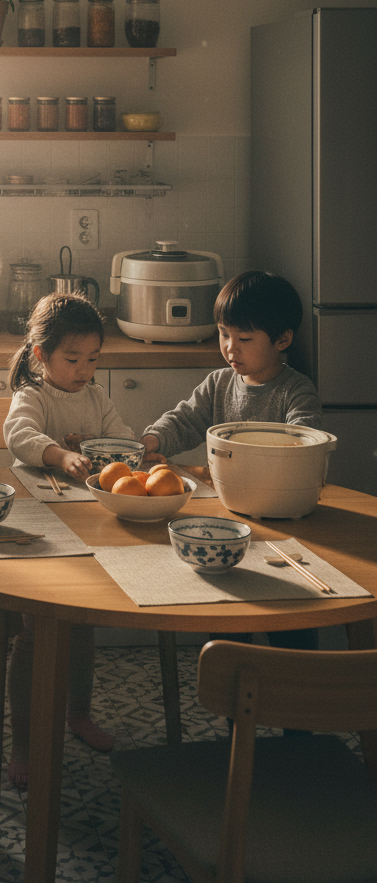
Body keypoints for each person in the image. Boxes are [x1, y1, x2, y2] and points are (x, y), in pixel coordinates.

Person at [141, 269, 322, 657]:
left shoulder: (296, 391)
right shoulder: (219, 384)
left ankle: (299, 710)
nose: (229, 348)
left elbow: (305, 444)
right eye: (224, 334)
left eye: (244, 338)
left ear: (282, 339)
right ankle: (233, 711)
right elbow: (184, 420)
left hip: (284, 530)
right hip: (228, 525)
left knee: (292, 624)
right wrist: (153, 439)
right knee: (228, 627)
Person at [2, 292, 134, 783]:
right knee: (34, 634)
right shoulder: (33, 395)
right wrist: (59, 455)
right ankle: (23, 743)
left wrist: (131, 452)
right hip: (37, 532)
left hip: (87, 528)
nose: (84, 369)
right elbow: (18, 435)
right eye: (72, 359)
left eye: (93, 359)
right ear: (42, 356)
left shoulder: (97, 397)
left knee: (82, 626)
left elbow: (121, 437)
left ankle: (78, 713)